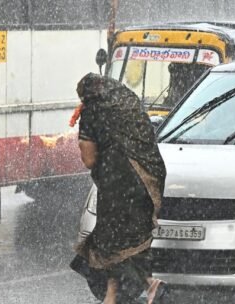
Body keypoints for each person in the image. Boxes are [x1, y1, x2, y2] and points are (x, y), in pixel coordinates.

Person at [69, 73, 167, 304]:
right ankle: (112, 296)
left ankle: (149, 284)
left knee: (111, 243)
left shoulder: (93, 110)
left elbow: (89, 159)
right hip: (150, 182)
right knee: (131, 240)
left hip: (119, 185)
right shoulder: (128, 102)